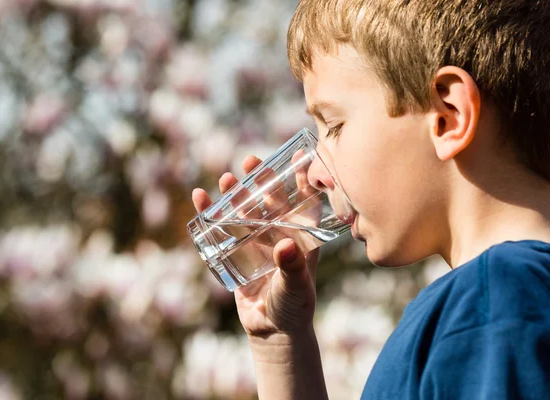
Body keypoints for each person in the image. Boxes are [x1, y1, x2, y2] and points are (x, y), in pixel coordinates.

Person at [192, 0, 550, 398]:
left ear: (448, 117)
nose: (314, 172)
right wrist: (280, 342)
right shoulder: (503, 304)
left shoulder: (490, 304)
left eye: (335, 126)